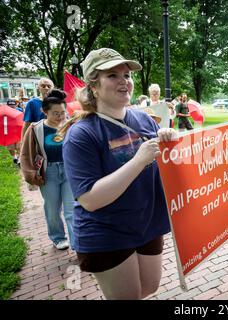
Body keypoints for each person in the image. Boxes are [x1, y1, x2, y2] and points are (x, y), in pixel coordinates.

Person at [60, 48, 177, 300]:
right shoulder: (81, 134)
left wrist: (172, 145)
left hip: (147, 223)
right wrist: (138, 160)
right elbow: (90, 199)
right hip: (106, 232)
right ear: (94, 86)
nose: (124, 80)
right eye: (112, 75)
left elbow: (166, 168)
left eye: (126, 74)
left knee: (149, 288)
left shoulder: (145, 121)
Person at [20, 89, 74, 250]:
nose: (60, 116)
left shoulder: (71, 125)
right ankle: (58, 238)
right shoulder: (36, 129)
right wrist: (30, 175)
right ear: (45, 112)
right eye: (55, 113)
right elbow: (26, 153)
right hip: (48, 172)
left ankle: (76, 242)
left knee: (71, 210)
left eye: (63, 112)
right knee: (52, 208)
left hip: (69, 170)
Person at [5, 99, 23, 165]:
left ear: (16, 105)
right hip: (9, 132)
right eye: (10, 106)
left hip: (18, 131)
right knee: (10, 148)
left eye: (13, 106)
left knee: (19, 147)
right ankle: (14, 157)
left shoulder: (20, 110)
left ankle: (19, 159)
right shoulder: (4, 113)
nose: (11, 108)